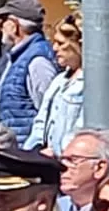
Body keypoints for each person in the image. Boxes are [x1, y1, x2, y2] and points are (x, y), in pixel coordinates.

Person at [0, 0, 58, 144]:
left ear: (14, 24)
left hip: (27, 156)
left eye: (3, 20)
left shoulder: (37, 61)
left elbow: (50, 113)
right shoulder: (18, 57)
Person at [26, 13, 87, 153]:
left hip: (69, 161)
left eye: (61, 43)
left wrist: (59, 152)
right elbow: (40, 121)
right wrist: (33, 151)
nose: (54, 48)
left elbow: (83, 129)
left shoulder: (91, 84)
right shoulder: (59, 80)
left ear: (79, 45)